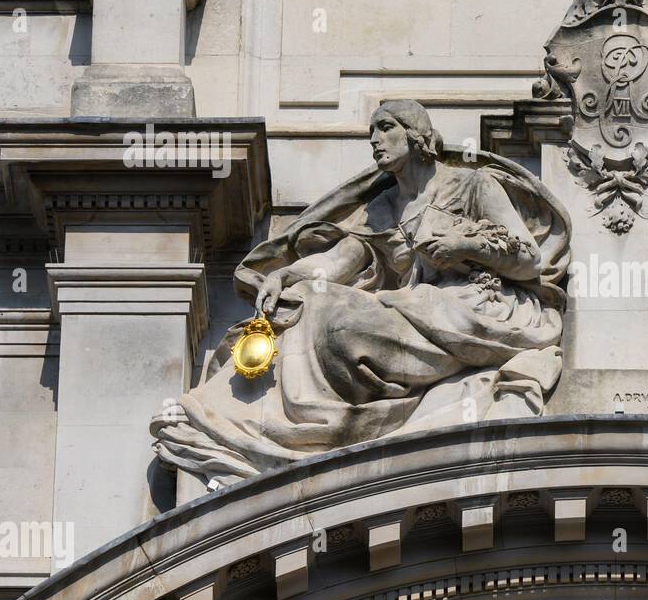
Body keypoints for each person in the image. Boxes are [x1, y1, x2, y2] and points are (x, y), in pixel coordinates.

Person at [152, 99, 571, 486]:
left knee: (356, 316)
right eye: (372, 130)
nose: (374, 140)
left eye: (386, 128)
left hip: (476, 306)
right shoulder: (382, 208)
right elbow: (337, 262)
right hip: (416, 307)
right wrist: (286, 277)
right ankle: (294, 428)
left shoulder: (471, 185)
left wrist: (464, 246)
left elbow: (528, 258)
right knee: (319, 308)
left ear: (417, 134)